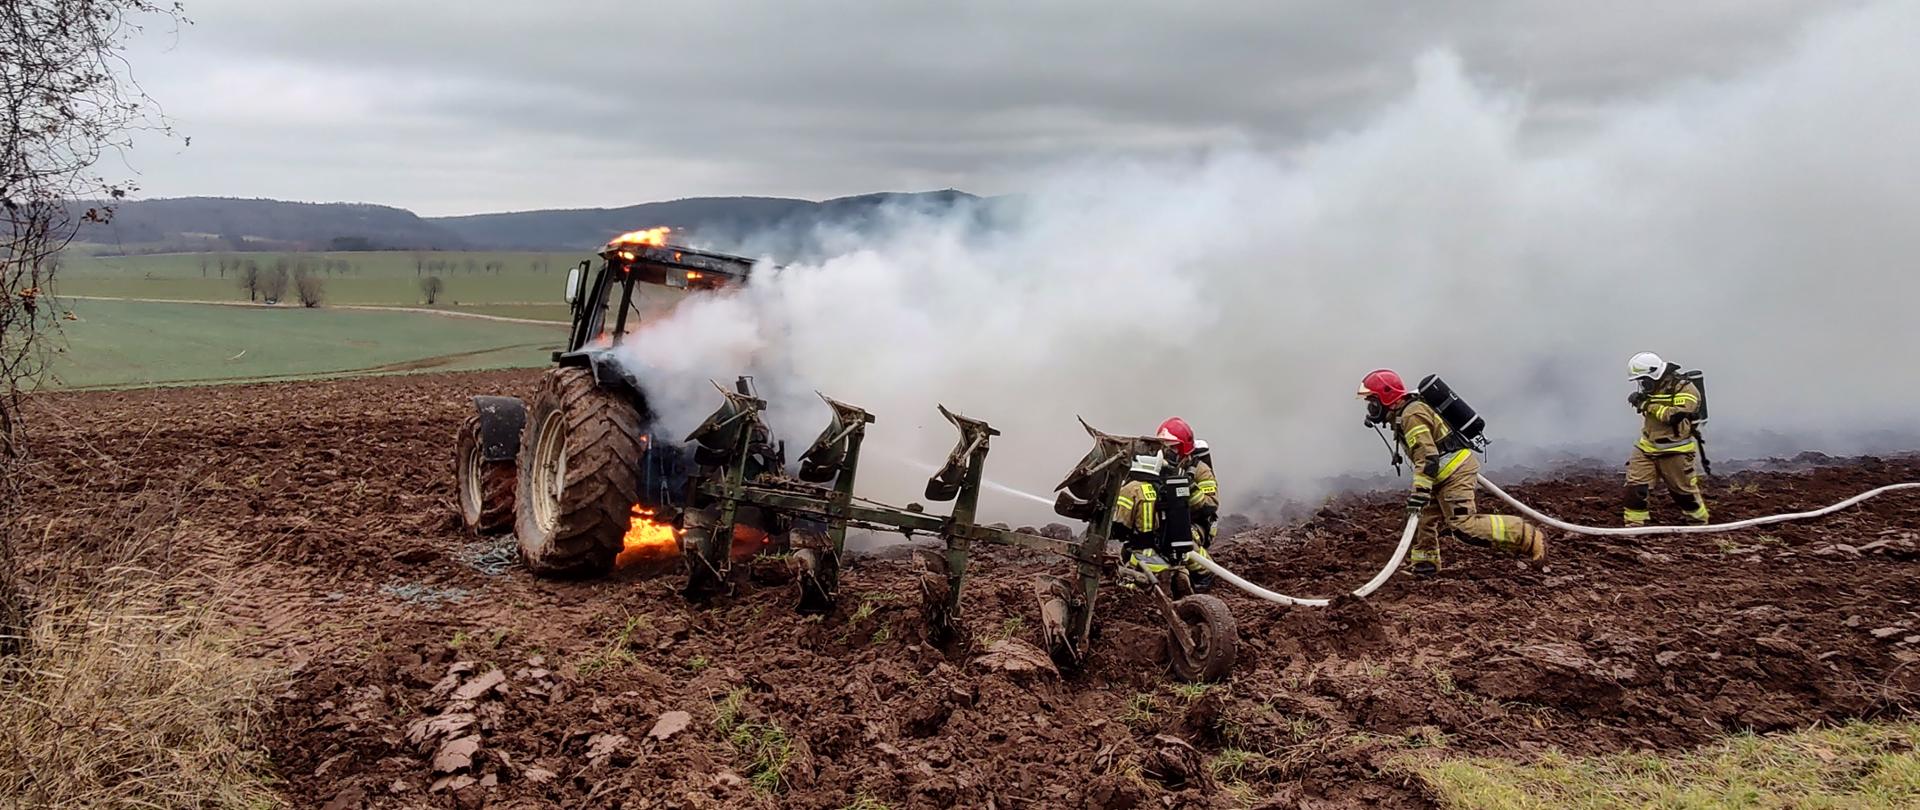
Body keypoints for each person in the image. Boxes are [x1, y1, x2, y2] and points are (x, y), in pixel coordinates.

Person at [1357, 369, 1546, 575]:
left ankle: (1527, 536)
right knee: (1422, 519)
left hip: (1454, 472)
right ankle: (1425, 565)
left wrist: (1420, 491)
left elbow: (1427, 458)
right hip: (1440, 475)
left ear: (1386, 397)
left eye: (1372, 402)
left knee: (1464, 526)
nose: (1370, 409)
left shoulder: (1412, 415)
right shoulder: (1404, 414)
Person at [1624, 352, 1709, 526]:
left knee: (1683, 493)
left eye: (1644, 379)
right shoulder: (1652, 388)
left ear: (1654, 374)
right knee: (1635, 488)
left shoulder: (1685, 389)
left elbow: (1674, 416)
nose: (1642, 384)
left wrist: (1647, 404)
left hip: (1676, 450)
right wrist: (1640, 400)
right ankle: (1633, 527)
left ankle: (1698, 523)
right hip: (1646, 447)